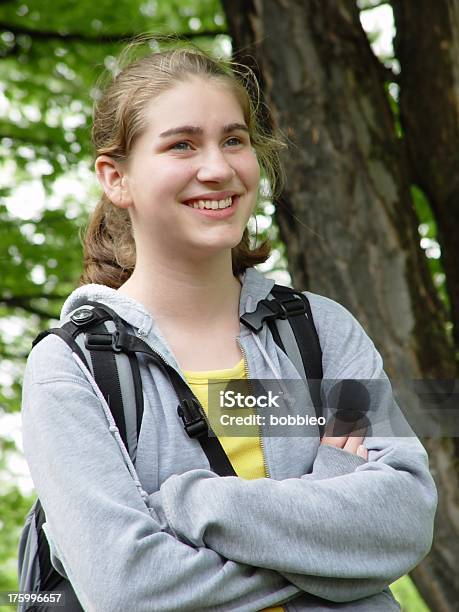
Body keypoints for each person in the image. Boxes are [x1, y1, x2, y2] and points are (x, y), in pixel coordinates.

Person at [21, 40, 437, 611]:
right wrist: (335, 530)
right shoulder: (72, 369)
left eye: (234, 140)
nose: (217, 169)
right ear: (116, 178)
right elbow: (127, 589)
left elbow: (405, 519)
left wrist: (191, 505)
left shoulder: (321, 331)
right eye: (182, 144)